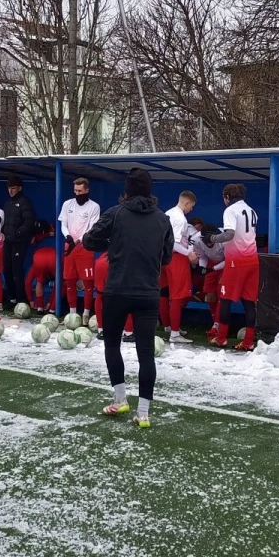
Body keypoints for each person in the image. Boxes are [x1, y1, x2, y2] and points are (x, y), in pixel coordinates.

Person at [82, 168, 173, 429]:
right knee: (146, 353)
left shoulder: (116, 213)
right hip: (148, 292)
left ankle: (120, 399)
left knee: (112, 344)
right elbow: (167, 257)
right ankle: (143, 413)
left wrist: (113, 244)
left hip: (117, 290)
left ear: (127, 190)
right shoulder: (162, 219)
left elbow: (89, 240)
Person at [210, 183, 260, 351]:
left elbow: (229, 234)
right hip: (252, 260)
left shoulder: (230, 210)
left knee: (225, 299)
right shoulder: (251, 210)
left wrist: (213, 238)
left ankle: (221, 338)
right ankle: (248, 342)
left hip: (236, 261)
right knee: (249, 302)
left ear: (227, 197)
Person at [57, 178, 101, 318]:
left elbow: (92, 229)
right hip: (69, 247)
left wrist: (78, 240)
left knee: (88, 283)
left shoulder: (94, 207)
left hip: (85, 247)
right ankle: (72, 314)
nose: (77, 193)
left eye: (80, 191)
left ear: (87, 190)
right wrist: (67, 236)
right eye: (75, 191)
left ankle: (86, 314)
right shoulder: (67, 204)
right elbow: (63, 224)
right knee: (69, 281)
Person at [161, 191, 197, 343]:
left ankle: (169, 326)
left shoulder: (167, 213)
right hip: (176, 258)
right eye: (191, 206)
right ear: (187, 203)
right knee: (177, 297)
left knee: (164, 293)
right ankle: (174, 334)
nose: (191, 210)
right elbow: (174, 244)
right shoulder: (181, 219)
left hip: (163, 258)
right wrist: (189, 253)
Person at [1, 175, 36, 309]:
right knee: (7, 270)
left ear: (19, 188)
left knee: (17, 271)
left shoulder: (24, 202)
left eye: (13, 188)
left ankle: (21, 299)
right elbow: (4, 221)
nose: (10, 191)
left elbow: (29, 221)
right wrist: (3, 232)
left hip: (19, 242)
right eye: (9, 188)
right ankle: (12, 298)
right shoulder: (7, 203)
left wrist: (18, 232)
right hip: (7, 241)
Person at [191, 218, 226, 334]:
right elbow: (202, 256)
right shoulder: (197, 239)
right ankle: (215, 323)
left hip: (225, 264)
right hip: (211, 263)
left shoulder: (224, 238)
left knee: (221, 294)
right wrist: (202, 267)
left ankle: (218, 326)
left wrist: (212, 269)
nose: (211, 241)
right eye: (208, 239)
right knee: (210, 296)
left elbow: (229, 259)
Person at [93, 252, 134, 342]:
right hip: (120, 263)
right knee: (129, 296)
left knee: (100, 294)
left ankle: (101, 330)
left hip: (102, 261)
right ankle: (128, 333)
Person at [24, 221, 56, 312]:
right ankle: (52, 308)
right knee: (60, 282)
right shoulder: (60, 234)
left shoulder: (37, 237)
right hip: (54, 257)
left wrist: (30, 300)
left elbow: (27, 283)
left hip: (39, 258)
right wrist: (50, 303)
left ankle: (39, 308)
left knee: (39, 282)